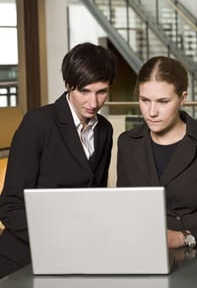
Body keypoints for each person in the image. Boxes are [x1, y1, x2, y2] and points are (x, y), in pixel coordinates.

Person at [0, 42, 117, 278]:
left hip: (76, 256)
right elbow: (9, 205)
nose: (93, 103)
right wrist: (55, 239)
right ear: (68, 85)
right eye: (84, 91)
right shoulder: (38, 123)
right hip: (23, 259)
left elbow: (96, 197)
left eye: (101, 91)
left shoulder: (104, 130)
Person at [117, 55, 197, 259]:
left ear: (183, 98)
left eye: (163, 101)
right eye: (144, 100)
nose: (152, 112)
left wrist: (185, 238)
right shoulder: (128, 143)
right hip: (144, 257)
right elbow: (126, 211)